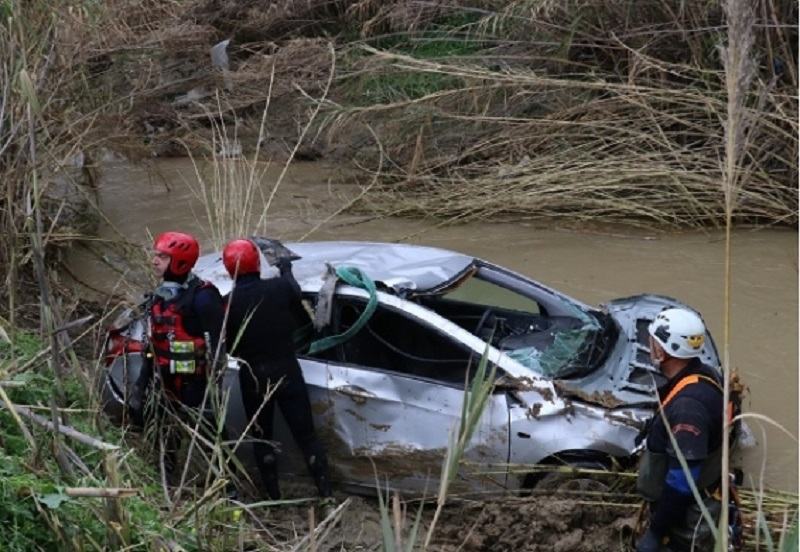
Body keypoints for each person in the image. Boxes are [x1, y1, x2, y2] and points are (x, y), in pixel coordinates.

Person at [222, 238, 333, 504]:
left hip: (253, 377)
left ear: (228, 270)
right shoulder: (280, 288)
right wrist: (285, 267)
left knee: (262, 440)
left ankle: (273, 499)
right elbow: (298, 303)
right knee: (307, 437)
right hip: (287, 370)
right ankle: (326, 495)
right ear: (258, 263)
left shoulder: (227, 303)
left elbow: (228, 347)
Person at [636, 308, 739, 552]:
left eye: (652, 342)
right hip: (696, 499)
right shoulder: (704, 373)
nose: (649, 346)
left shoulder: (687, 409)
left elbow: (681, 482)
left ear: (661, 350)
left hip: (687, 518)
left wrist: (655, 532)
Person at [134, 231, 227, 471]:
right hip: (165, 383)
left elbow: (218, 348)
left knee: (212, 440)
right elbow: (152, 345)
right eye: (155, 255)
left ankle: (227, 487)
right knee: (165, 436)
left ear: (179, 262)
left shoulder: (204, 298)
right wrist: (140, 386)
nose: (154, 261)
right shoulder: (160, 298)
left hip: (196, 385)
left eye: (162, 257)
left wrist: (214, 390)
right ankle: (166, 480)